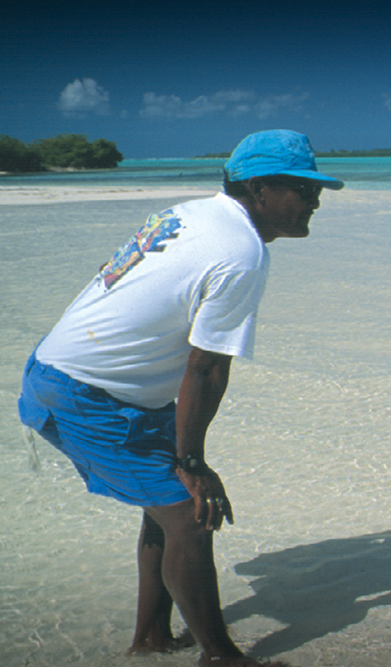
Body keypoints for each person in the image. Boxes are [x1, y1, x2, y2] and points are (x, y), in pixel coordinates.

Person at [17, 130, 343, 667]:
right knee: (190, 514)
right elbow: (207, 366)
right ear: (259, 189)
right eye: (303, 188)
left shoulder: (190, 213)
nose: (315, 200)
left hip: (68, 375)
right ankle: (221, 657)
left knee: (166, 511)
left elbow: (115, 275)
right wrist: (192, 460)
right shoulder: (240, 253)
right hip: (88, 394)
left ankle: (152, 637)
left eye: (316, 190)